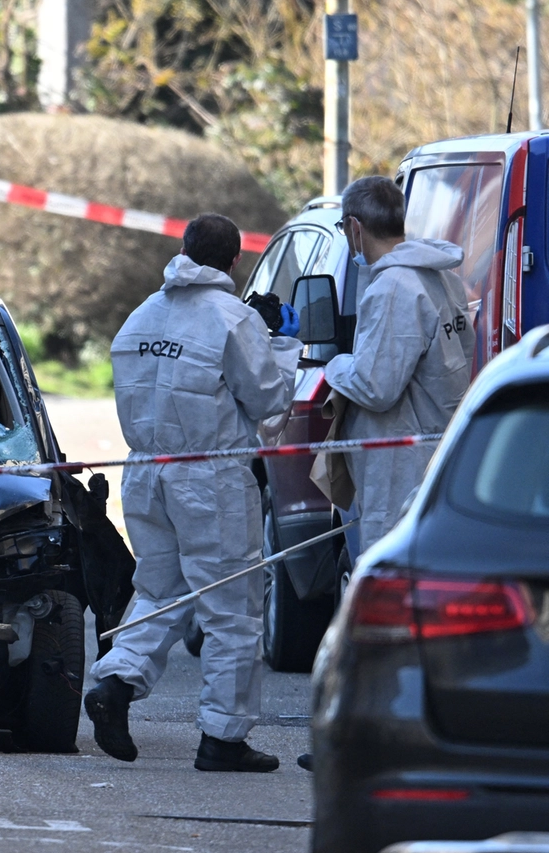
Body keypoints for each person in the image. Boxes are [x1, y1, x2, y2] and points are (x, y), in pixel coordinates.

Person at [84, 213, 301, 773]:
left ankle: (115, 683)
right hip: (211, 480)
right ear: (234, 261)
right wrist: (275, 341)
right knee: (231, 609)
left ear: (183, 249)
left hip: (146, 473)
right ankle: (222, 739)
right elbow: (270, 401)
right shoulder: (233, 319)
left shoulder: (140, 318)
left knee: (160, 591)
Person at [324, 176, 475, 552]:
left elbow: (376, 388)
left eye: (344, 228)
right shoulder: (444, 279)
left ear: (355, 227)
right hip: (438, 450)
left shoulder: (393, 288)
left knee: (394, 577)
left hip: (399, 466)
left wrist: (335, 365)